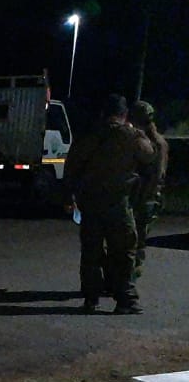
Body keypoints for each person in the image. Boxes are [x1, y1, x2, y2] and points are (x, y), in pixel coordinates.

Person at [63, 94, 155, 314]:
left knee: (91, 252)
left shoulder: (89, 135)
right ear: (125, 114)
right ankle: (125, 299)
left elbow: (71, 167)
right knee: (124, 250)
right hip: (119, 202)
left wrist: (69, 196)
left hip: (91, 201)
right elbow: (149, 155)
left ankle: (91, 298)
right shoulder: (131, 136)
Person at [129, 100, 169, 277]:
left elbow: (156, 175)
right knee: (136, 239)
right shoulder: (155, 140)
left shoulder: (151, 143)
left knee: (134, 240)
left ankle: (129, 277)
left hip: (145, 197)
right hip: (147, 196)